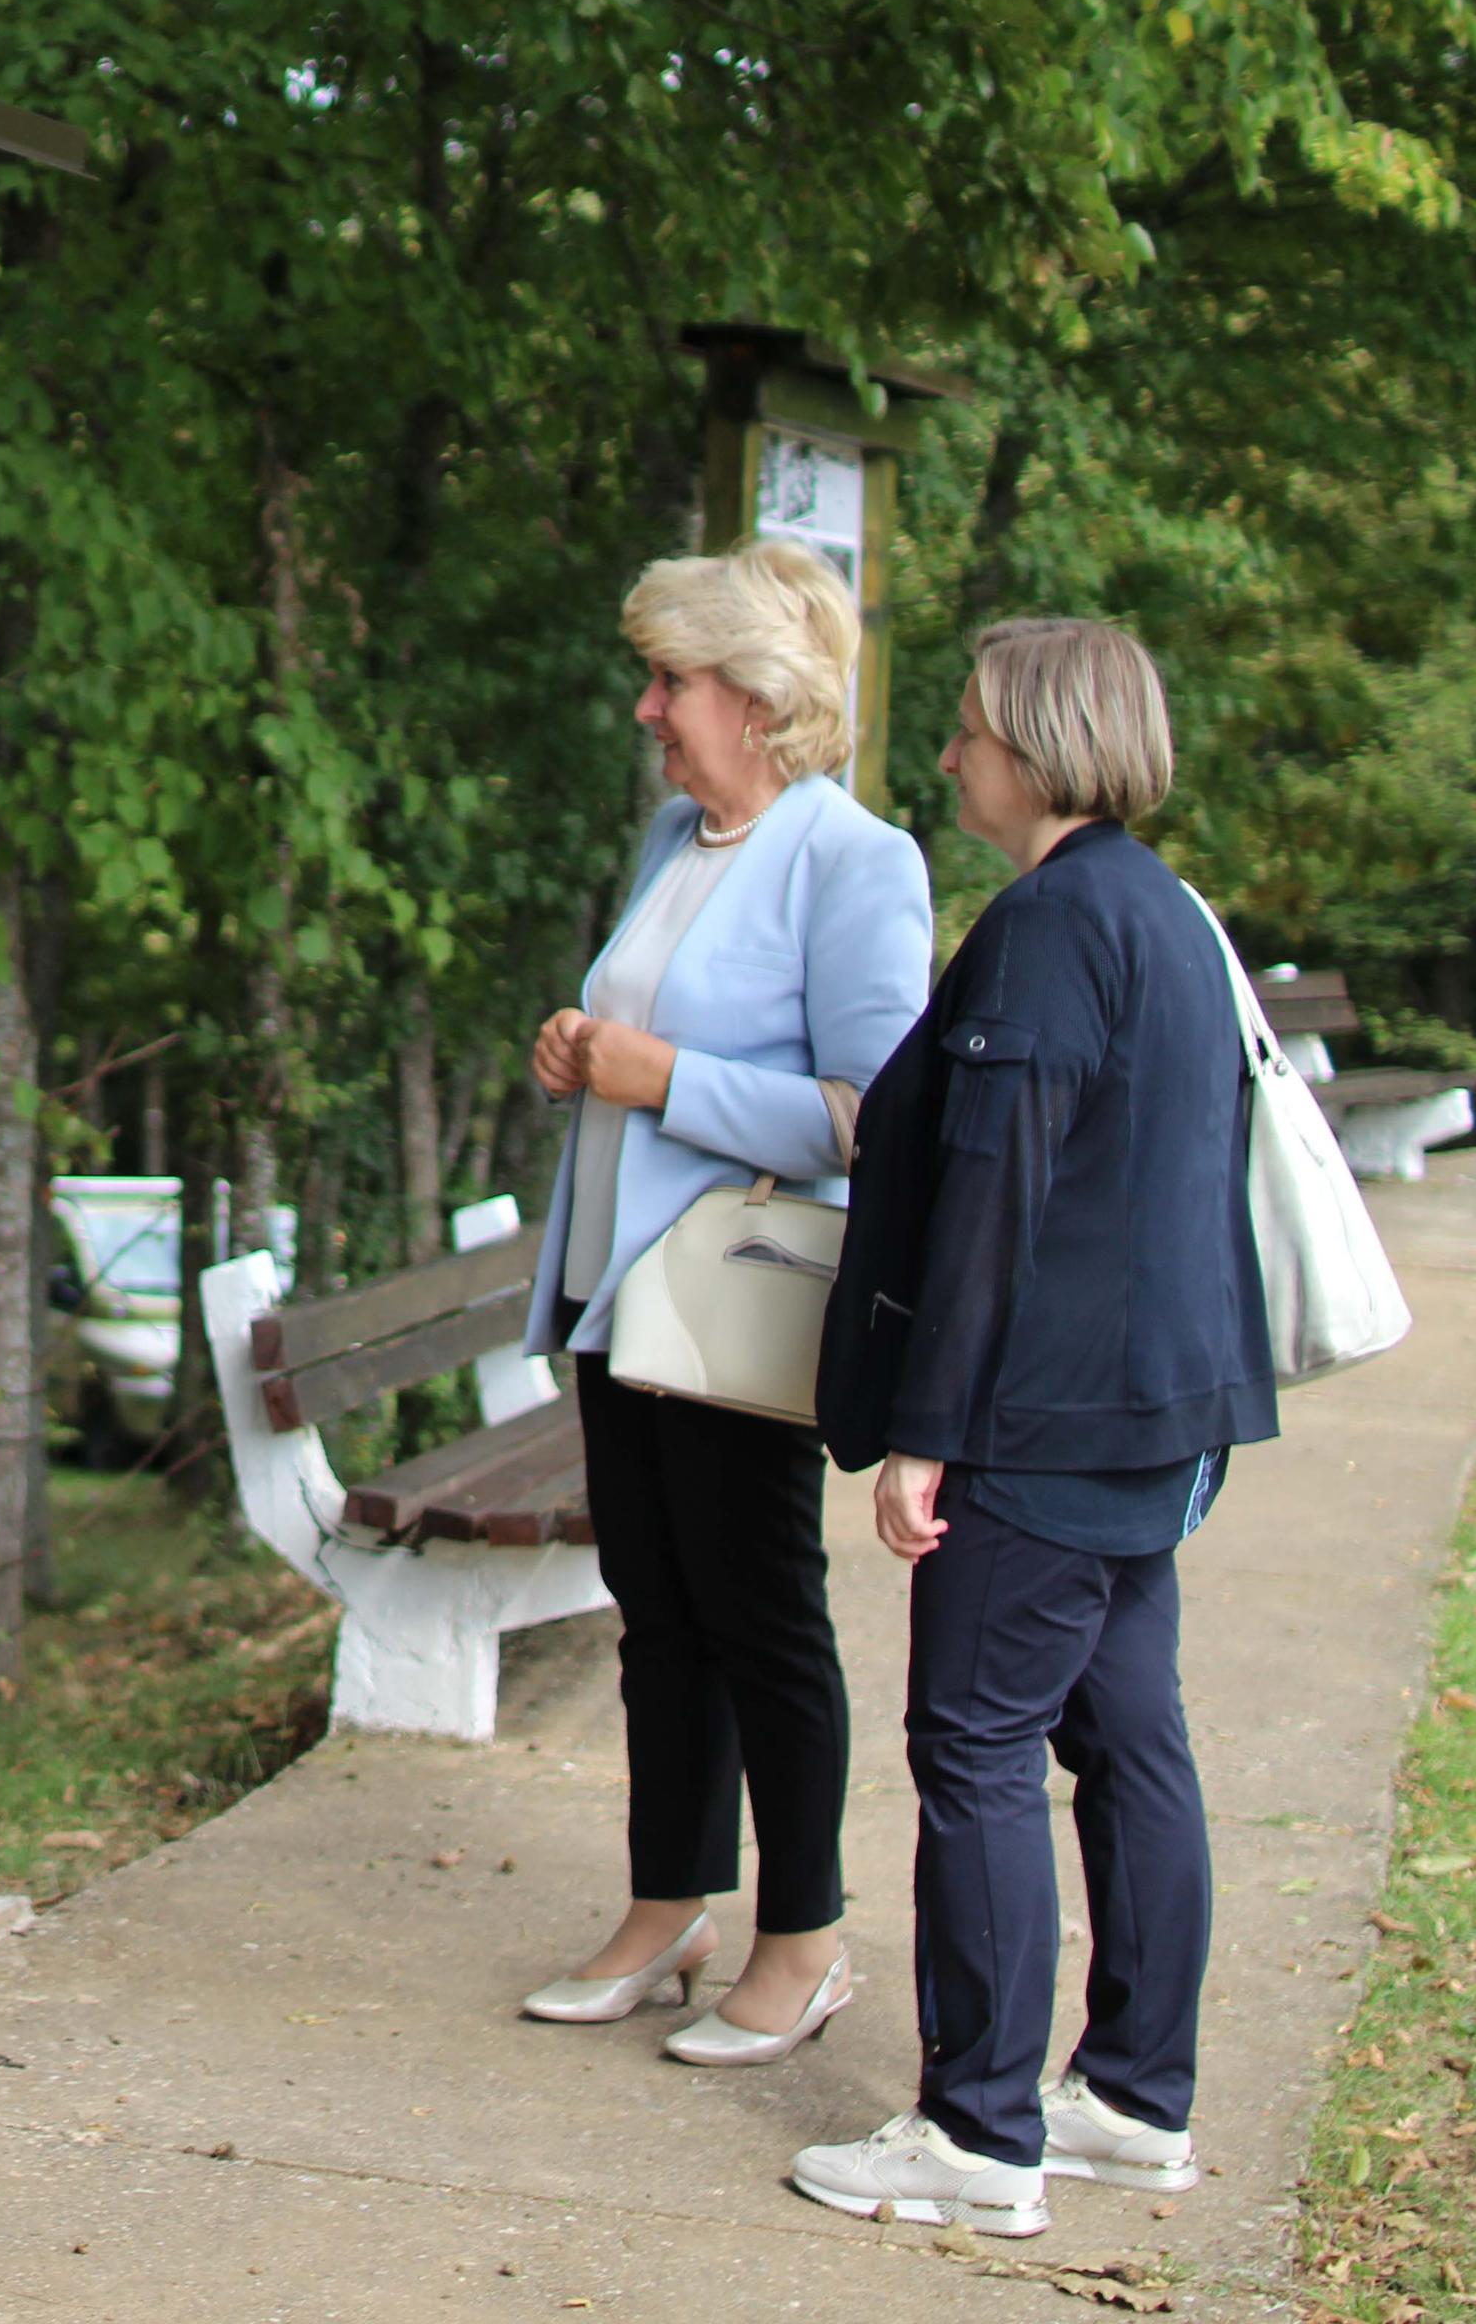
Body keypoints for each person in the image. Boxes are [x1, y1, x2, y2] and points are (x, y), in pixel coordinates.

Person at [792, 620, 1276, 2238]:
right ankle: (1136, 2096)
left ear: (1041, 742)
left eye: (969, 733)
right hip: (1150, 1417)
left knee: (977, 1748)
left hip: (1040, 1424)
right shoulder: (1168, 917)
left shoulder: (1053, 926)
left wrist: (927, 1432)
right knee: (1132, 1738)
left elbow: (999, 1191)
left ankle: (980, 2133)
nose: (950, 760)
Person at [517, 539, 933, 2062]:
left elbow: (872, 1116)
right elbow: (638, 1039)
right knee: (656, 1616)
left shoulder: (853, 859)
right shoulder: (673, 841)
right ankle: (668, 1904)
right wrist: (582, 1053)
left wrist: (668, 1081)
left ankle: (803, 1938)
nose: (647, 707)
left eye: (670, 680)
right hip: (622, 1300)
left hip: (741, 1312)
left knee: (763, 1617)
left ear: (756, 700)